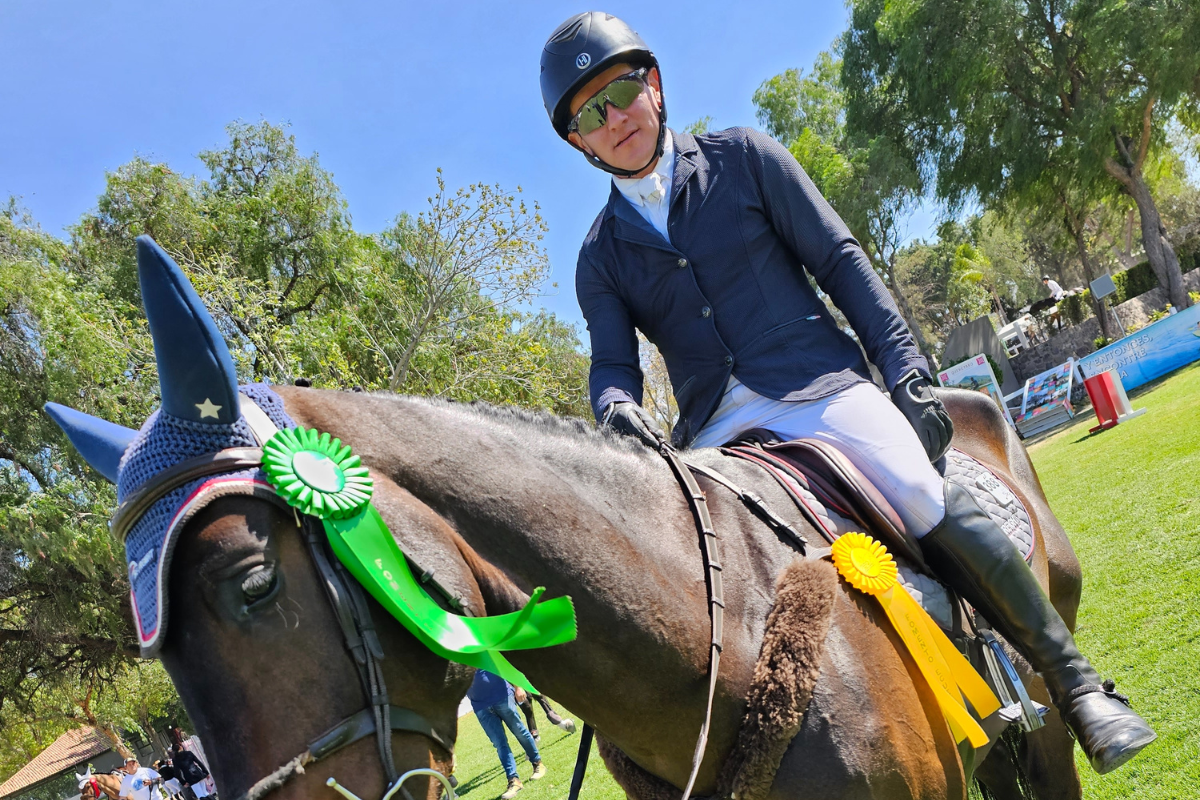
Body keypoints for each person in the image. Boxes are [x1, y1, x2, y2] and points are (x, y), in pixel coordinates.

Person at [540, 11, 1155, 775]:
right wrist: (615, 408)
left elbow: (840, 261)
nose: (614, 118)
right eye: (590, 114)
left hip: (819, 388)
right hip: (717, 437)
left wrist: (905, 369)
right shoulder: (598, 256)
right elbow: (612, 366)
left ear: (654, 85)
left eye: (622, 91)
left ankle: (1076, 686)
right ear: (579, 142)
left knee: (920, 492)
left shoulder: (744, 157)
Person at [467, 670, 546, 799]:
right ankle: (514, 780)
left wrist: (518, 686)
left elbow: (504, 664)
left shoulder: (483, 650)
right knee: (499, 743)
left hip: (502, 696)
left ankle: (538, 764)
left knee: (520, 731)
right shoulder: (453, 656)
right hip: (480, 706)